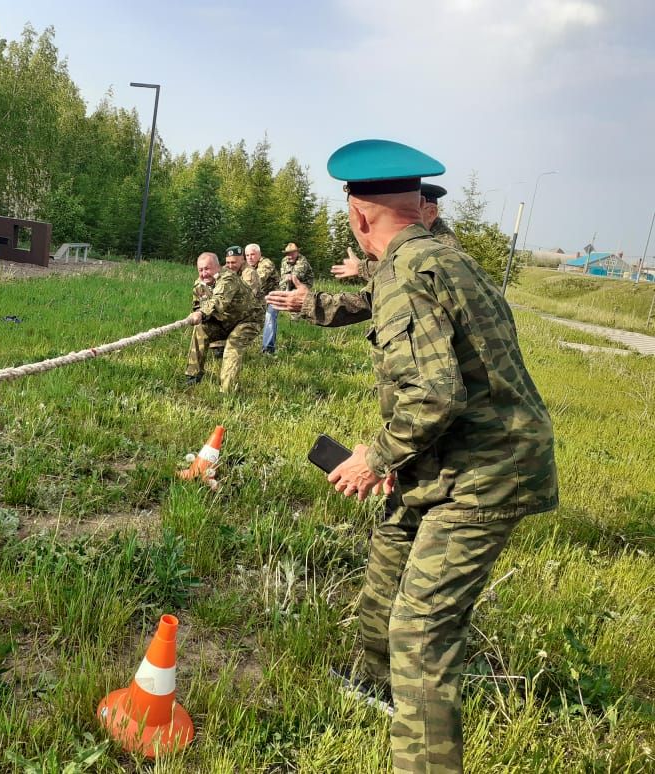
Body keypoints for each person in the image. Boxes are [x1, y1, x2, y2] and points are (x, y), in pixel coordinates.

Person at [270, 139, 558, 774]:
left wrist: (374, 456)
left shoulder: (410, 273)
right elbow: (374, 304)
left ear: (359, 215)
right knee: (389, 558)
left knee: (422, 634)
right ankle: (372, 686)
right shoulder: (433, 257)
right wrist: (314, 306)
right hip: (443, 461)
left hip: (486, 472)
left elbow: (434, 393)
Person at [332, 182, 461, 281]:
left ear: (431, 213)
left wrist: (362, 268)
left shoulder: (445, 246)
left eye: (411, 209)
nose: (401, 217)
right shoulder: (414, 241)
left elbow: (409, 269)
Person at [184, 251, 262, 393]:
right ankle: (193, 376)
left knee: (233, 345)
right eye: (200, 270)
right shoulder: (199, 284)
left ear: (218, 267)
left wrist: (201, 313)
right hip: (224, 321)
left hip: (248, 320)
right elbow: (198, 305)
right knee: (200, 328)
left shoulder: (228, 278)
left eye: (207, 269)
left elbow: (218, 301)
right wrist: (198, 314)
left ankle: (227, 391)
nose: (203, 273)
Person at [245, 243, 280, 353]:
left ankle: (268, 350)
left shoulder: (266, 263)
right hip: (259, 297)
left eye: (252, 254)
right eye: (247, 255)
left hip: (274, 296)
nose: (250, 257)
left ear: (259, 254)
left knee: (269, 316)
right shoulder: (247, 266)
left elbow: (256, 281)